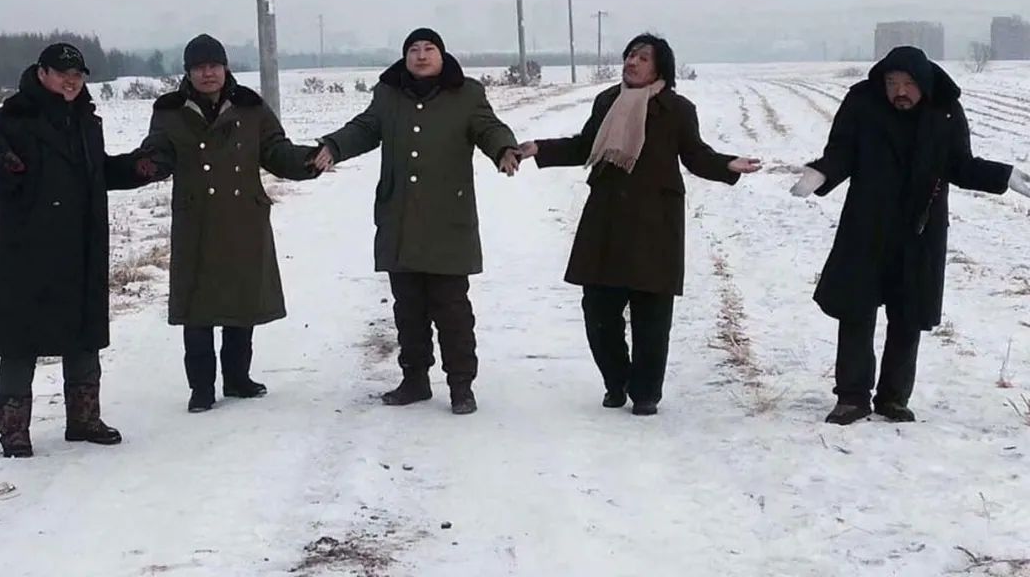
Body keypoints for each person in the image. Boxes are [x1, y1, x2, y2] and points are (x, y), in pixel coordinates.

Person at [517, 33, 761, 416]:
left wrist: (727, 164)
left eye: (643, 57)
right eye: (630, 55)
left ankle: (646, 392)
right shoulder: (607, 101)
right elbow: (586, 145)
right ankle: (617, 382)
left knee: (652, 316)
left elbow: (695, 154)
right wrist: (540, 148)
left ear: (660, 66)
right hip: (607, 218)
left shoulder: (677, 109)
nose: (632, 62)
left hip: (655, 222)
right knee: (598, 311)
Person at [790, 45, 1030, 425]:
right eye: (892, 83)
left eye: (908, 83)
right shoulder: (862, 103)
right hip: (866, 225)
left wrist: (1004, 175)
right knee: (856, 310)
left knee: (907, 314)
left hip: (920, 229)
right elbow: (842, 151)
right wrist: (821, 173)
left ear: (923, 82)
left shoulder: (945, 110)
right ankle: (851, 398)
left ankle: (894, 398)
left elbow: (959, 165)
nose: (899, 91)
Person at [313, 28, 520, 415]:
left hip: (448, 222)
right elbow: (365, 127)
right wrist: (334, 146)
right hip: (400, 220)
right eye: (413, 49)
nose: (421, 56)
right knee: (408, 309)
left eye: (429, 49)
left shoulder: (467, 93)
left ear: (442, 54)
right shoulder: (388, 93)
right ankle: (415, 380)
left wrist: (504, 148)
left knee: (452, 311)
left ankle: (461, 385)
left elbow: (488, 127)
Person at [0, 43, 156, 457]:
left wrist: (138, 168)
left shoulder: (87, 121)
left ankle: (84, 420)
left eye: (77, 74)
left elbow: (98, 172)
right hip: (25, 247)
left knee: (83, 334)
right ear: (41, 73)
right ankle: (14, 431)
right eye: (62, 73)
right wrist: (5, 168)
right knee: (19, 339)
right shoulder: (7, 120)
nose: (71, 81)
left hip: (80, 241)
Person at [138, 34, 322, 413]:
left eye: (214, 66)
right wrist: (145, 166)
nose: (208, 73)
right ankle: (201, 388)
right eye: (199, 67)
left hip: (243, 218)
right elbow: (159, 151)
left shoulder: (250, 107)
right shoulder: (170, 111)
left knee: (242, 300)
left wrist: (308, 160)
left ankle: (238, 378)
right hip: (196, 220)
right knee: (197, 307)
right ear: (188, 72)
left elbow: (275, 150)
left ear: (225, 68)